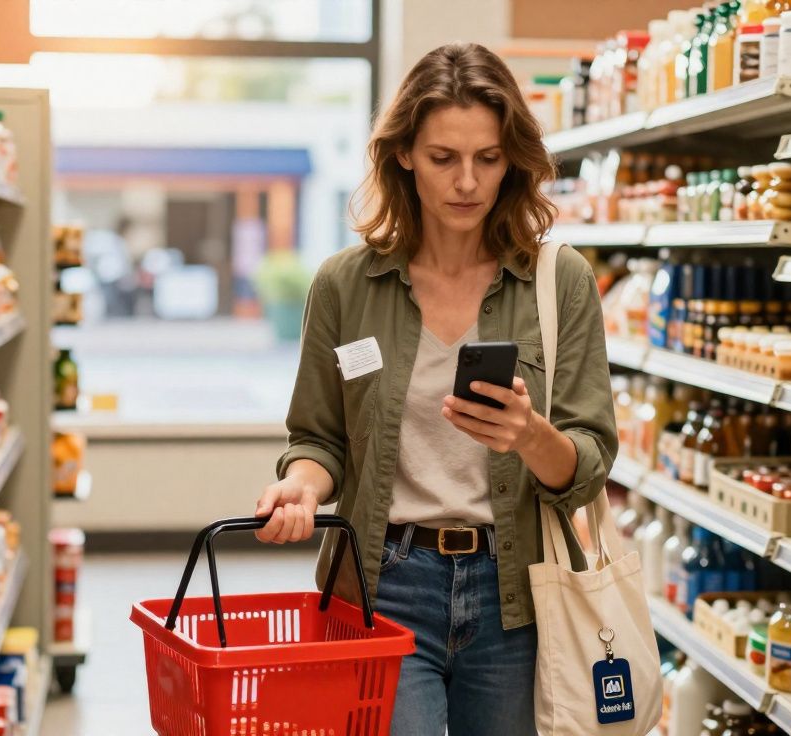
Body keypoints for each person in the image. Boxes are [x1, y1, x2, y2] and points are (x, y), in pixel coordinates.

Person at [252, 42, 616, 735]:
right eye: (444, 158)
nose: (467, 182)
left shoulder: (557, 281)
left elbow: (590, 461)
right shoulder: (346, 284)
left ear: (512, 158)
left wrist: (531, 435)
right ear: (404, 155)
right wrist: (302, 484)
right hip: (382, 582)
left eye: (487, 158)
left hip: (514, 593)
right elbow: (319, 437)